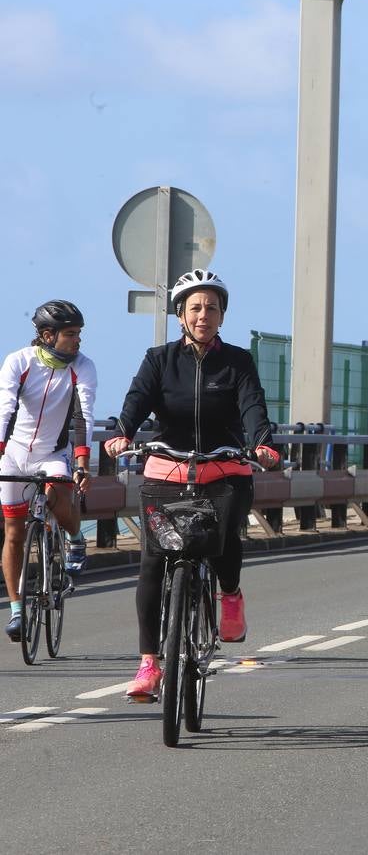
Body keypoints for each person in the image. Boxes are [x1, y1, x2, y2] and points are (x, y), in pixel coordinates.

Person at [103, 271, 280, 700]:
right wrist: (122, 431)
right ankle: (149, 664)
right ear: (180, 313)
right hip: (167, 470)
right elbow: (136, 400)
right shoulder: (159, 359)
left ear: (222, 316)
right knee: (152, 560)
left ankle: (230, 595)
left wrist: (261, 444)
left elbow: (252, 405)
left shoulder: (237, 361)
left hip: (224, 470)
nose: (204, 315)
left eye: (212, 308)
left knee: (224, 540)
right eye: (195, 307)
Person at [0, 301, 97, 642]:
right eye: (71, 334)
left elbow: (83, 415)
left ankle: (75, 539)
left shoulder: (83, 367)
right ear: (47, 335)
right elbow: (5, 408)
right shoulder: (19, 362)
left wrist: (82, 461)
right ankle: (15, 612)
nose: (77, 340)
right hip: (15, 455)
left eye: (78, 333)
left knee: (59, 496)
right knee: (14, 532)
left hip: (52, 454)